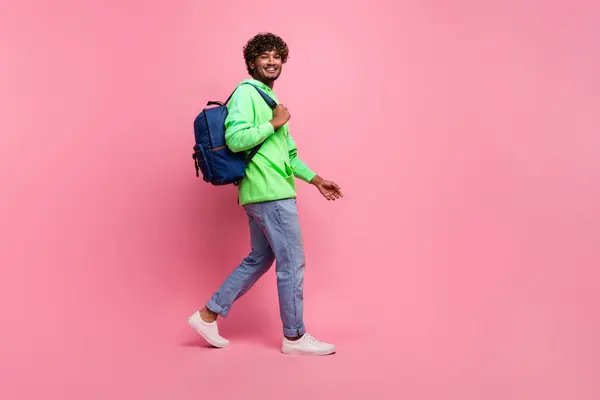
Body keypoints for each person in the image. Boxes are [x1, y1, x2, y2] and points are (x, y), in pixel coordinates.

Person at [187, 32, 343, 356]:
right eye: (264, 56)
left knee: (260, 258)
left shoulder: (270, 101)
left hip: (267, 191)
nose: (271, 61)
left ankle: (208, 315)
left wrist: (316, 180)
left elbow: (289, 156)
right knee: (292, 262)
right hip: (269, 193)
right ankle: (295, 337)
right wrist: (274, 123)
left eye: (277, 56)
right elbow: (235, 139)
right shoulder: (248, 94)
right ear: (252, 63)